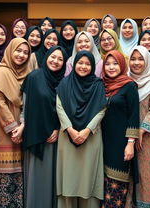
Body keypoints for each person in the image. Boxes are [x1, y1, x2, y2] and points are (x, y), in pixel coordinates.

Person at [56, 51, 107, 208]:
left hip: (91, 137)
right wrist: (70, 129)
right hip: (67, 137)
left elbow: (102, 109)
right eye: (80, 62)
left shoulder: (98, 84)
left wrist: (87, 130)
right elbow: (59, 107)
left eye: (87, 64)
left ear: (92, 66)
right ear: (74, 63)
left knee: (88, 178)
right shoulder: (64, 83)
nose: (83, 66)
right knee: (68, 179)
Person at [0, 38, 31, 207]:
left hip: (24, 128)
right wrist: (14, 129)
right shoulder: (1, 72)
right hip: (5, 131)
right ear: (10, 51)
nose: (21, 55)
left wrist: (23, 126)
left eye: (26, 52)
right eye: (18, 51)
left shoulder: (27, 73)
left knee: (21, 176)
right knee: (5, 178)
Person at [22, 46, 68, 208]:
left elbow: (66, 109)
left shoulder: (65, 80)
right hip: (35, 135)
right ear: (47, 56)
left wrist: (57, 129)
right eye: (53, 57)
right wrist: (23, 126)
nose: (55, 61)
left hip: (55, 136)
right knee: (36, 177)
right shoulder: (34, 77)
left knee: (52, 177)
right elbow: (25, 107)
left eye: (60, 59)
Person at [101, 50, 139, 208]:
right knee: (104, 187)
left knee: (117, 189)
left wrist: (130, 143)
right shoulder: (102, 85)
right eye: (108, 64)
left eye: (115, 63)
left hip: (121, 144)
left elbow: (133, 115)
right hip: (103, 142)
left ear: (122, 65)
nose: (111, 67)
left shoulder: (129, 85)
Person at [129, 45, 150, 208]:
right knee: (129, 172)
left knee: (148, 173)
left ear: (147, 61)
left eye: (140, 59)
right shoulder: (126, 80)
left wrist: (142, 130)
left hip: (149, 136)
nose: (136, 63)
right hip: (127, 133)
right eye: (133, 59)